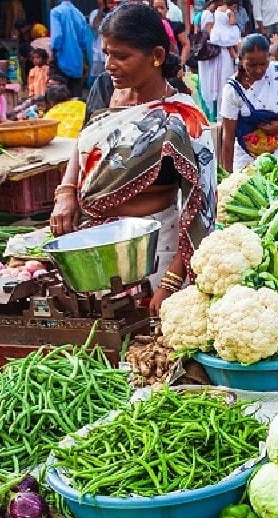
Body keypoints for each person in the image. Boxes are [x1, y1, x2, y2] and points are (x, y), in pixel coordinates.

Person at [50, 3, 215, 315]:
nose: (110, 64)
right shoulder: (102, 88)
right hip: (92, 245)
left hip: (153, 249)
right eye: (107, 53)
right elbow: (83, 141)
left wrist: (170, 281)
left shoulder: (182, 117)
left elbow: (202, 206)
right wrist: (66, 192)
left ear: (156, 55)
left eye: (121, 56)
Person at [219, 34, 278, 173]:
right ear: (241, 60)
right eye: (251, 65)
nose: (258, 70)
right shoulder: (233, 89)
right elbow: (228, 136)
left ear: (269, 57)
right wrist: (227, 176)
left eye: (263, 64)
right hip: (248, 161)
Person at [51, 0, 95, 96]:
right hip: (77, 59)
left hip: (61, 57)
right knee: (76, 90)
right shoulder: (79, 14)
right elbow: (84, 41)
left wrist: (53, 52)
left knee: (59, 93)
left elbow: (57, 36)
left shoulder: (56, 12)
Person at [89, 0, 118, 88]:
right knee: (96, 81)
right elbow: (96, 26)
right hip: (98, 54)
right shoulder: (95, 13)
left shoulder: (117, 12)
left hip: (113, 53)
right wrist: (101, 9)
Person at [154, 0, 191, 67]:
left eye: (162, 8)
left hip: (174, 66)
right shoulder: (150, 28)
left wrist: (181, 62)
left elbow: (186, 44)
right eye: (156, 8)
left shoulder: (176, 26)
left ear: (167, 10)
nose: (159, 11)